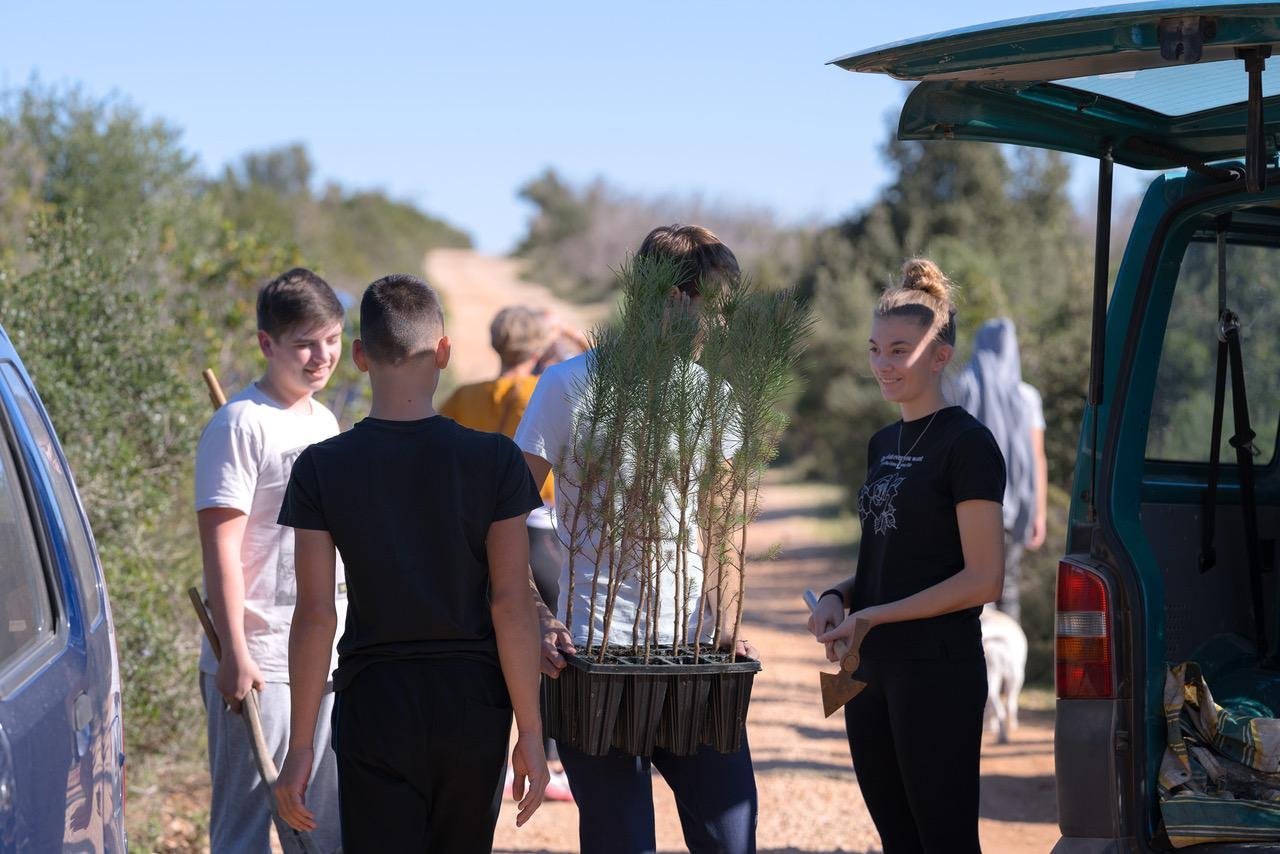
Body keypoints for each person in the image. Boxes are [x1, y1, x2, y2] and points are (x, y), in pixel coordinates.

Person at [272, 273, 548, 852]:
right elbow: (510, 602)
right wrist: (530, 729)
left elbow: (316, 614)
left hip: (374, 700)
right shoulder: (494, 461)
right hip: (473, 701)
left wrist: (300, 748)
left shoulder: (322, 468)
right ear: (443, 352)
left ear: (359, 357)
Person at [518, 224, 760, 854]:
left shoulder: (716, 399)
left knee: (730, 836)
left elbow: (722, 529)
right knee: (621, 841)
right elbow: (503, 516)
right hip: (592, 659)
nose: (724, 329)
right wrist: (539, 616)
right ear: (678, 302)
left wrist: (727, 627)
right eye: (719, 312)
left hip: (689, 659)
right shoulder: (568, 384)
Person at [807, 258, 1005, 853]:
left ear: (939, 355)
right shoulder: (882, 442)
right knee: (897, 839)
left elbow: (983, 579)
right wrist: (844, 596)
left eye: (899, 350)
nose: (882, 365)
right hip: (868, 670)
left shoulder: (968, 445)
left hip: (937, 671)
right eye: (875, 350)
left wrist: (873, 615)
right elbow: (891, 557)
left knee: (944, 841)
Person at [194, 267, 346, 853]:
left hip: (321, 651)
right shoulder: (238, 424)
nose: (321, 355)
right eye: (305, 341)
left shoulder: (325, 421)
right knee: (245, 823)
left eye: (331, 339)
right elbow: (221, 549)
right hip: (257, 658)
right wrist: (234, 651)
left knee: (318, 821)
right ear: (266, 344)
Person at [439, 305, 573, 801]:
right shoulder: (547, 388)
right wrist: (568, 335)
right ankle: (551, 757)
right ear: (538, 347)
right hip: (536, 529)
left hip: (469, 533)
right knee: (550, 644)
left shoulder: (463, 396)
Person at [948, 317, 1048, 622]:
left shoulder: (959, 388)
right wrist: (1038, 514)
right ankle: (1008, 665)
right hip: (1011, 507)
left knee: (968, 592)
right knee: (1008, 589)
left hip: (963, 509)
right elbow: (1037, 456)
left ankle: (973, 665)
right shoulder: (1026, 397)